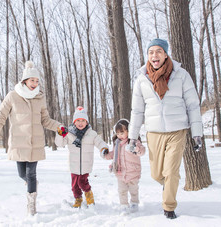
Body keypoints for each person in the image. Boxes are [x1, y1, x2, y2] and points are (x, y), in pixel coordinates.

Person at [127, 38, 203, 219]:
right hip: (153, 132)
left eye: (159, 51)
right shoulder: (141, 79)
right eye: (151, 52)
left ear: (166, 54)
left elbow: (193, 105)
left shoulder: (181, 74)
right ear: (148, 55)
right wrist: (132, 137)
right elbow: (137, 110)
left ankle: (169, 207)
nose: (155, 55)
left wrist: (197, 134)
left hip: (177, 130)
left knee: (171, 171)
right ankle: (169, 184)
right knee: (156, 174)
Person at [0, 60, 67, 216]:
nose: (35, 83)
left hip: (34, 143)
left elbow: (45, 120)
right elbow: (0, 117)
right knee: (21, 174)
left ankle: (31, 204)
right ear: (24, 81)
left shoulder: (40, 98)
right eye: (32, 80)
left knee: (31, 174)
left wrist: (58, 127)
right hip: (18, 142)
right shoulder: (12, 96)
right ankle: (32, 185)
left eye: (37, 81)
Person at [55, 106, 109, 208]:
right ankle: (78, 199)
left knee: (82, 182)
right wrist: (59, 134)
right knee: (74, 186)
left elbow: (100, 142)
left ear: (87, 122)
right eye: (78, 120)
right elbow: (59, 144)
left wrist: (103, 148)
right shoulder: (69, 134)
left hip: (86, 165)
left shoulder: (91, 134)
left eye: (83, 120)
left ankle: (89, 197)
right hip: (74, 165)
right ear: (74, 122)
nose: (80, 122)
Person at [101, 119, 145, 214]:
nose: (119, 135)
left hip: (133, 171)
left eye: (122, 132)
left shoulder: (133, 142)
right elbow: (113, 154)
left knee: (133, 190)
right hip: (120, 172)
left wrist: (136, 149)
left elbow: (142, 151)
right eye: (117, 133)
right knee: (122, 190)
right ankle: (124, 205)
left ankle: (134, 203)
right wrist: (106, 155)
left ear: (128, 131)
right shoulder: (117, 143)